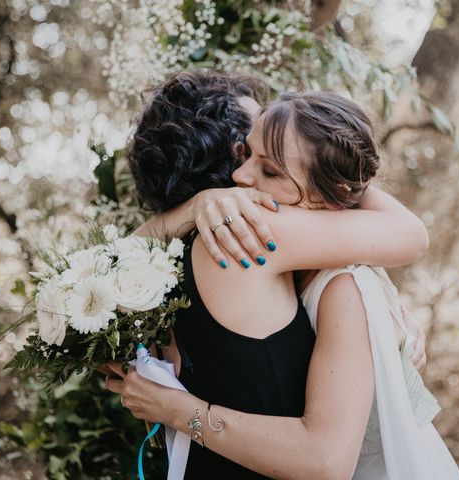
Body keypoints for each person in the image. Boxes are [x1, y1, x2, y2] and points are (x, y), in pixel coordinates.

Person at [105, 73, 433, 478]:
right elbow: (412, 234)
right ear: (227, 154)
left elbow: (106, 260)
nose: (244, 175)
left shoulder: (164, 263)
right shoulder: (255, 231)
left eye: (270, 166)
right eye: (246, 148)